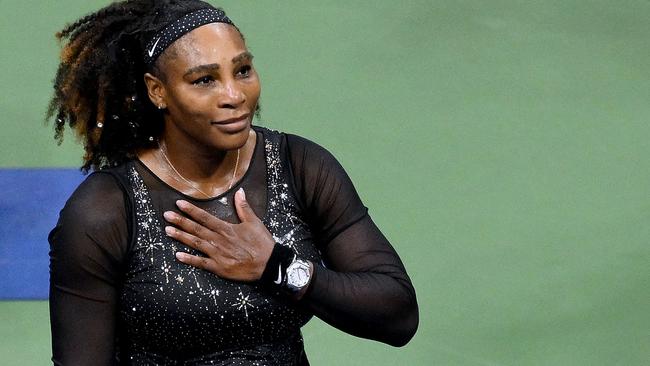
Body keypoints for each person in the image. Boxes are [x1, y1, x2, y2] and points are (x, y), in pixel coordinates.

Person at [47, 1, 418, 364]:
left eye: (242, 70)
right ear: (157, 90)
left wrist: (276, 265)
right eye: (205, 79)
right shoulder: (105, 210)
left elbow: (398, 315)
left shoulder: (300, 166)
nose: (235, 95)